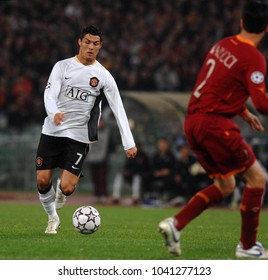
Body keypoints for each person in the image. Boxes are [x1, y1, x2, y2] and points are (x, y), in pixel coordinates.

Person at [159, 1, 268, 258]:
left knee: (226, 185)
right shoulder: (254, 57)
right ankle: (248, 246)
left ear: (241, 22)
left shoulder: (222, 45)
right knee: (257, 179)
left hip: (193, 122)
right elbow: (263, 103)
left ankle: (175, 224)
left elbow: (215, 86)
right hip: (215, 125)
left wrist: (242, 111)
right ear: (266, 27)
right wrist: (249, 109)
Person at [35, 25, 137, 234]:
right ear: (79, 42)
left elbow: (118, 108)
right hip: (52, 131)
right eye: (88, 42)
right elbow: (49, 95)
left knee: (67, 187)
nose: (91, 47)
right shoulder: (62, 67)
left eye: (96, 44)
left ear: (100, 46)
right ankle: (53, 218)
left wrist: (129, 143)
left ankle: (63, 192)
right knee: (43, 180)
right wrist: (54, 113)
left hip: (79, 136)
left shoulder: (103, 75)